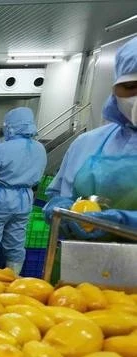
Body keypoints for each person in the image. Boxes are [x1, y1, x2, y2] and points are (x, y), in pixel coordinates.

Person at [44, 36, 137, 238]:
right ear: (115, 90)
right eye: (130, 87)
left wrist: (124, 223)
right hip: (78, 261)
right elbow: (58, 195)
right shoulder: (88, 143)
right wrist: (60, 209)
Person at [0, 107, 47, 274]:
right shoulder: (40, 148)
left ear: (11, 126)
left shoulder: (2, 148)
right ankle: (12, 281)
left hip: (1, 198)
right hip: (26, 198)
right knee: (16, 242)